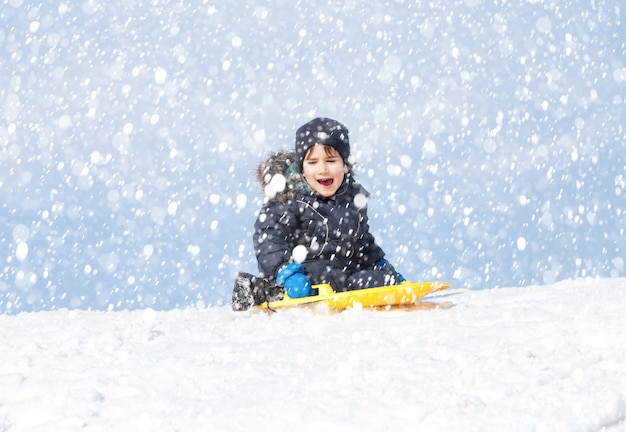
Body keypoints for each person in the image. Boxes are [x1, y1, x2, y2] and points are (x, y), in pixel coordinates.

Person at [232, 117, 404, 311]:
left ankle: (371, 284)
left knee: (372, 278)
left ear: (345, 166)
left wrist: (379, 263)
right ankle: (261, 290)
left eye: (331, 161)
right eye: (312, 162)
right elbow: (269, 238)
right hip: (303, 274)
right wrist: (286, 272)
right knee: (329, 275)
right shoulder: (290, 200)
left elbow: (361, 242)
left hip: (342, 273)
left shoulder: (352, 200)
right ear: (302, 169)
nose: (322, 169)